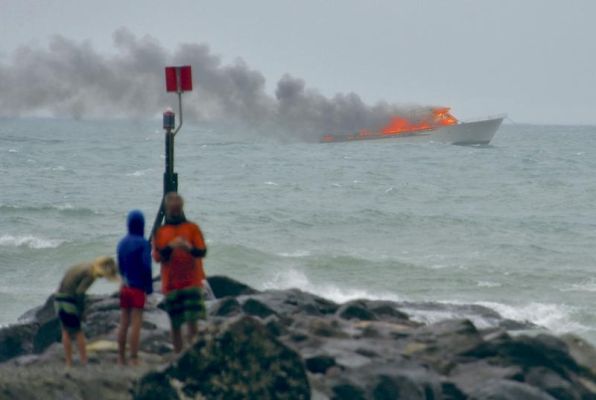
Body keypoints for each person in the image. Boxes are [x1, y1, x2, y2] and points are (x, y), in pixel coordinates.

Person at [153, 192, 207, 353]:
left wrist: (188, 248)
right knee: (176, 325)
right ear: (167, 209)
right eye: (172, 209)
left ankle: (192, 353)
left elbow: (201, 251)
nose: (175, 211)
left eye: (177, 209)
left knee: (192, 322)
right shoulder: (161, 233)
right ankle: (179, 355)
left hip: (192, 283)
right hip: (172, 285)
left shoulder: (192, 228)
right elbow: (157, 256)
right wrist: (171, 246)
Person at [54, 256, 118, 367]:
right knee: (78, 332)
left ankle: (69, 363)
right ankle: (84, 361)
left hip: (58, 298)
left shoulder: (83, 265)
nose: (102, 277)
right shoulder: (90, 274)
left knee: (65, 331)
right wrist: (81, 312)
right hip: (69, 301)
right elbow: (80, 293)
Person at [116, 210, 153, 366]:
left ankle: (120, 357)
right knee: (136, 322)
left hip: (125, 286)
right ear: (142, 225)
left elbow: (120, 268)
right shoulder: (143, 243)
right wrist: (149, 288)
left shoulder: (122, 243)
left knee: (124, 321)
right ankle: (133, 357)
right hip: (138, 288)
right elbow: (146, 267)